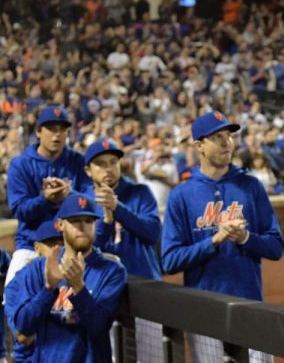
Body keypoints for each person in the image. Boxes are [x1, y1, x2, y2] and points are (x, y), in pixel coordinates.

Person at [161, 111, 284, 363]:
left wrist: (245, 238)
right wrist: (214, 241)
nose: (227, 142)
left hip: (250, 306)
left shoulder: (250, 186)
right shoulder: (181, 196)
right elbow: (171, 261)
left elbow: (276, 246)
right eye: (217, 137)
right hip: (203, 312)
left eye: (228, 136)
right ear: (199, 146)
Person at [4, 194, 127, 362]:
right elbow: (23, 326)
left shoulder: (112, 271)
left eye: (89, 221)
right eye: (75, 220)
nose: (82, 227)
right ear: (61, 225)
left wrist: (79, 289)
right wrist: (48, 290)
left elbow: (99, 327)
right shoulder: (40, 268)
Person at [82, 138, 164, 362]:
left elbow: (152, 233)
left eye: (112, 162)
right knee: (111, 356)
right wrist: (107, 221)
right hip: (102, 290)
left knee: (151, 357)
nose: (108, 168)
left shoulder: (140, 192)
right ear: (88, 171)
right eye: (100, 163)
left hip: (143, 283)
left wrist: (117, 207)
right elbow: (91, 250)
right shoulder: (82, 202)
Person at [5, 106, 89, 288]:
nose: (57, 135)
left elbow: (91, 202)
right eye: (51, 129)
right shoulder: (20, 165)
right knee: (11, 297)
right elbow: (20, 211)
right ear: (38, 132)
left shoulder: (78, 161)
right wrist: (45, 199)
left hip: (72, 247)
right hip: (31, 245)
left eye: (62, 130)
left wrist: (71, 196)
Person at [5, 220, 64, 362]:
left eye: (62, 244)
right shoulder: (16, 284)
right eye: (51, 244)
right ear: (37, 248)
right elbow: (24, 337)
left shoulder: (75, 276)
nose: (58, 249)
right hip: (29, 358)